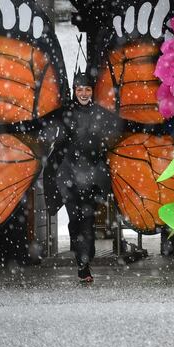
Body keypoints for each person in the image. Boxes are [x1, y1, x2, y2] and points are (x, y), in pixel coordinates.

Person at [46, 71, 120, 283]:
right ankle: (83, 256)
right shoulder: (64, 113)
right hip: (68, 176)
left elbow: (116, 134)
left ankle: (83, 263)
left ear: (92, 91)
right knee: (74, 220)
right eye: (80, 89)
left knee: (86, 220)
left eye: (88, 89)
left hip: (92, 177)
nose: (84, 93)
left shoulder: (100, 113)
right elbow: (47, 131)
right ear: (74, 91)